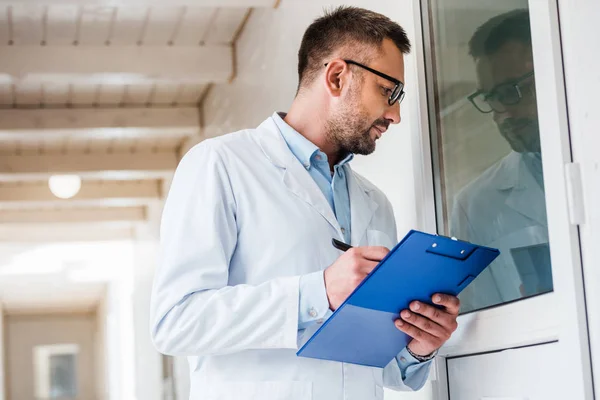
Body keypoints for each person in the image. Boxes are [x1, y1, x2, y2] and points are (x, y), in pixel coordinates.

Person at [150, 7, 460, 400]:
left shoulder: (374, 202)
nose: (395, 115)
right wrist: (318, 292)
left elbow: (381, 369)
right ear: (336, 76)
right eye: (388, 92)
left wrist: (418, 345)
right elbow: (175, 322)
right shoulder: (220, 165)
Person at [450, 9, 553, 313]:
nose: (501, 114)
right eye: (491, 96)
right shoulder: (476, 205)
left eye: (512, 92)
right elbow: (479, 321)